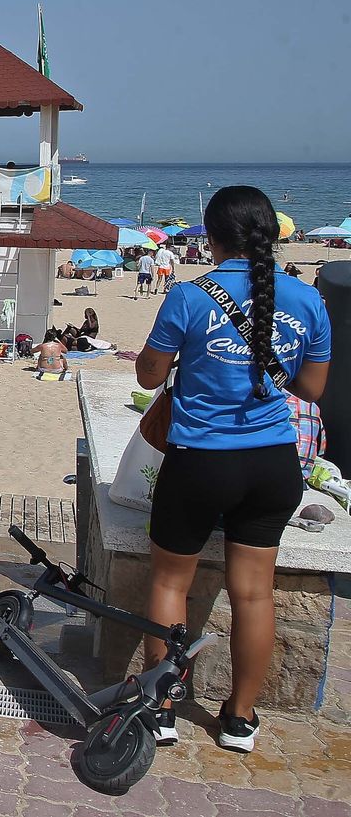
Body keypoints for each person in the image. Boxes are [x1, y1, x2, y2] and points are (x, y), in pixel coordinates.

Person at [135, 185, 330, 753]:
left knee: (171, 582)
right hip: (272, 464)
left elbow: (149, 376)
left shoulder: (191, 296)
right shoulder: (306, 299)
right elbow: (312, 388)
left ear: (211, 238)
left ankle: (162, 708)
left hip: (200, 461)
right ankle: (240, 721)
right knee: (254, 596)